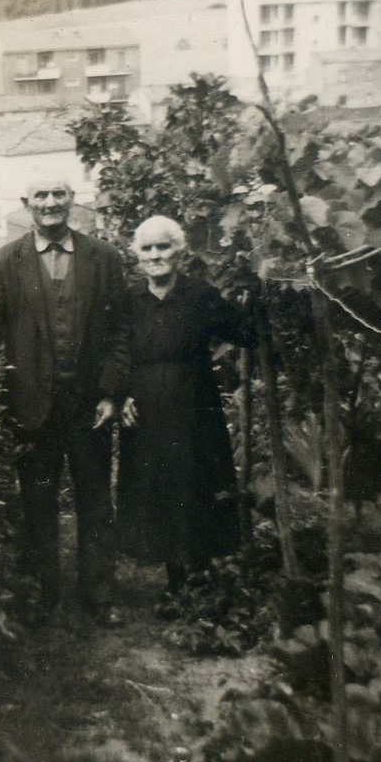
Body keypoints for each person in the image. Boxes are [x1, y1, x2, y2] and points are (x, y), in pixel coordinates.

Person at [0, 176, 129, 627]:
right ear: (27, 203)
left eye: (59, 195)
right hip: (31, 408)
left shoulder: (104, 259)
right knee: (38, 504)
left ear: (73, 201)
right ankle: (43, 595)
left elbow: (119, 334)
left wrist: (111, 393)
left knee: (96, 501)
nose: (51, 203)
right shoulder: (4, 262)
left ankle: (99, 596)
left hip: (89, 408)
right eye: (42, 196)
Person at [118, 215, 254, 603]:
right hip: (144, 407)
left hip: (194, 403)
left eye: (163, 247)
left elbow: (245, 333)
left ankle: (200, 574)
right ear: (137, 255)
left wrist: (253, 291)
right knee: (157, 487)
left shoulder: (200, 295)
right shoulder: (128, 300)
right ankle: (174, 578)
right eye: (147, 249)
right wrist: (120, 394)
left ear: (179, 251)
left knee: (195, 481)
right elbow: (114, 354)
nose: (155, 255)